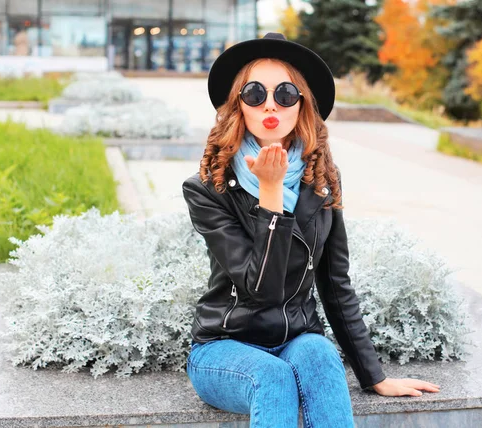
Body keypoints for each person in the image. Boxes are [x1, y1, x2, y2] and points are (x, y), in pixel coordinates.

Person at [182, 32, 440, 427]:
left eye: (285, 93)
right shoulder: (208, 188)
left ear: (301, 104)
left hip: (295, 338)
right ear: (239, 106)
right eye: (255, 93)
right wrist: (270, 191)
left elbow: (336, 284)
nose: (270, 104)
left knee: (319, 353)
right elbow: (261, 290)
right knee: (272, 376)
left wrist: (375, 376)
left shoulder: (320, 180)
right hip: (223, 348)